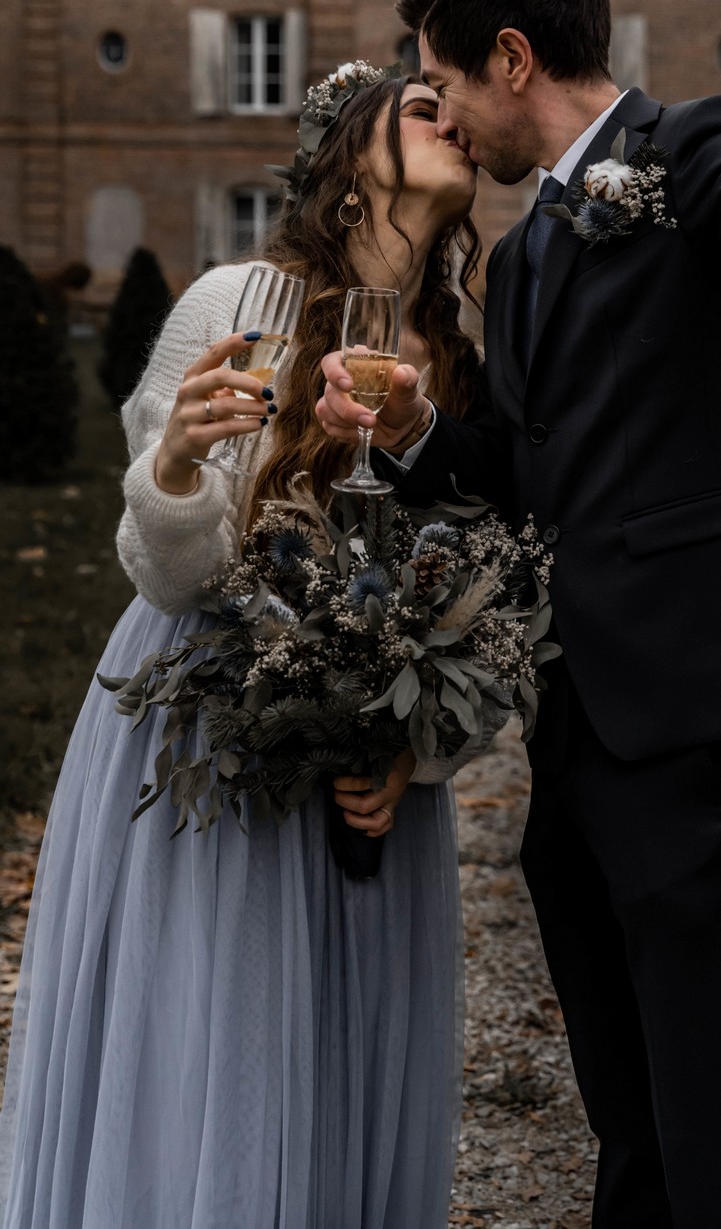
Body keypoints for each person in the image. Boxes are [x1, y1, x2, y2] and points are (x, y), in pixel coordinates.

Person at [316, 0, 721, 1229]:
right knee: (622, 1116)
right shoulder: (520, 263)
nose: (445, 118)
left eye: (444, 85)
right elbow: (524, 471)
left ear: (510, 59)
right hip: (575, 742)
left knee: (708, 1104)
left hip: (693, 721)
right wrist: (410, 435)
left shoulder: (688, 152)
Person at [0, 69, 483, 1229]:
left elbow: (483, 583)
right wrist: (171, 472)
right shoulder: (234, 303)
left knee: (338, 1069)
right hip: (206, 738)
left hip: (373, 773)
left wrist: (433, 744)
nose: (449, 114)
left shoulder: (460, 353)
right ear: (344, 160)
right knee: (212, 1054)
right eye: (419, 102)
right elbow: (169, 574)